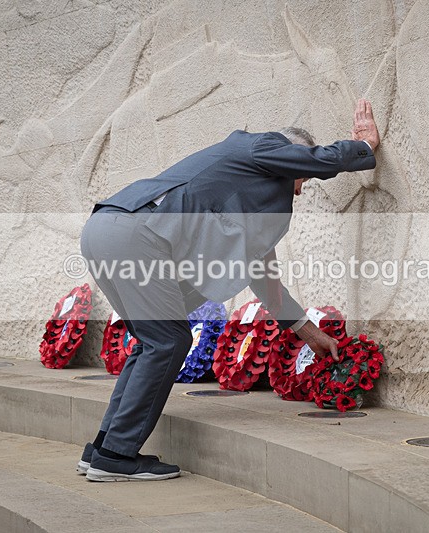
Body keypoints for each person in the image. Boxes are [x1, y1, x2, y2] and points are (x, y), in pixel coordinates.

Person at [77, 99, 380, 481]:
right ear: (293, 157)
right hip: (134, 236)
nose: (300, 191)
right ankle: (116, 456)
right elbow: (315, 159)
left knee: (153, 341)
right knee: (169, 341)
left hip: (108, 231)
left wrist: (309, 332)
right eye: (302, 179)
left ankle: (103, 448)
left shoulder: (246, 188)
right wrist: (364, 147)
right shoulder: (260, 146)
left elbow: (264, 277)